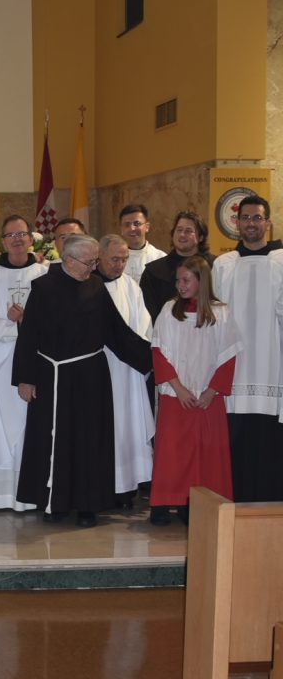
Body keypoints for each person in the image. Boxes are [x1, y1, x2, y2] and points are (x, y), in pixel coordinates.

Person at [12, 235, 152, 527]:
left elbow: (116, 332)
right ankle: (55, 503)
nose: (93, 267)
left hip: (90, 377)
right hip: (52, 376)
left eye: (95, 261)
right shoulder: (43, 288)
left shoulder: (96, 287)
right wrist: (25, 378)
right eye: (89, 262)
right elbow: (29, 335)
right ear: (69, 260)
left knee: (90, 441)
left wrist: (153, 358)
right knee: (54, 441)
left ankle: (88, 505)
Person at [150, 256, 240, 525]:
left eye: (186, 280)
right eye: (178, 280)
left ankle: (198, 505)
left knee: (206, 452)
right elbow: (158, 351)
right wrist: (178, 388)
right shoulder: (169, 310)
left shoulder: (221, 313)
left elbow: (229, 355)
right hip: (177, 396)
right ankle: (165, 502)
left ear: (202, 281)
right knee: (172, 451)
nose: (180, 285)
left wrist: (212, 391)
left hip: (206, 397)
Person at [0, 215, 47, 511]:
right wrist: (9, 321)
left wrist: (28, 321)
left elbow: (56, 317)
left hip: (36, 360)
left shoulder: (44, 274)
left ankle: (32, 492)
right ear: (2, 242)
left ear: (31, 239)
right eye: (11, 235)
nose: (16, 240)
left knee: (32, 425)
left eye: (21, 234)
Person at [211, 195, 283, 502]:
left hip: (273, 365)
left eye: (257, 218)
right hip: (234, 368)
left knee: (270, 443)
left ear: (268, 223)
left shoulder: (281, 261)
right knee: (235, 440)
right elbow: (215, 318)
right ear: (236, 223)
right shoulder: (223, 264)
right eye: (246, 218)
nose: (251, 223)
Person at [95, 234, 154, 509]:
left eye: (124, 259)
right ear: (99, 257)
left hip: (127, 372)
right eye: (114, 259)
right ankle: (99, 487)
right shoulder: (88, 285)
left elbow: (144, 326)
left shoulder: (131, 286)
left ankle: (125, 487)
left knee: (125, 428)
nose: (119, 265)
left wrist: (136, 356)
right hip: (97, 369)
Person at [140, 211, 215, 322]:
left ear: (201, 237)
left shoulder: (216, 266)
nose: (182, 235)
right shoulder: (153, 271)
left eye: (188, 231)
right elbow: (147, 314)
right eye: (179, 230)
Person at [119, 204, 166, 282]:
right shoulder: (114, 260)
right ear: (121, 229)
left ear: (147, 227)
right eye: (127, 225)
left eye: (137, 224)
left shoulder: (160, 258)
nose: (132, 228)